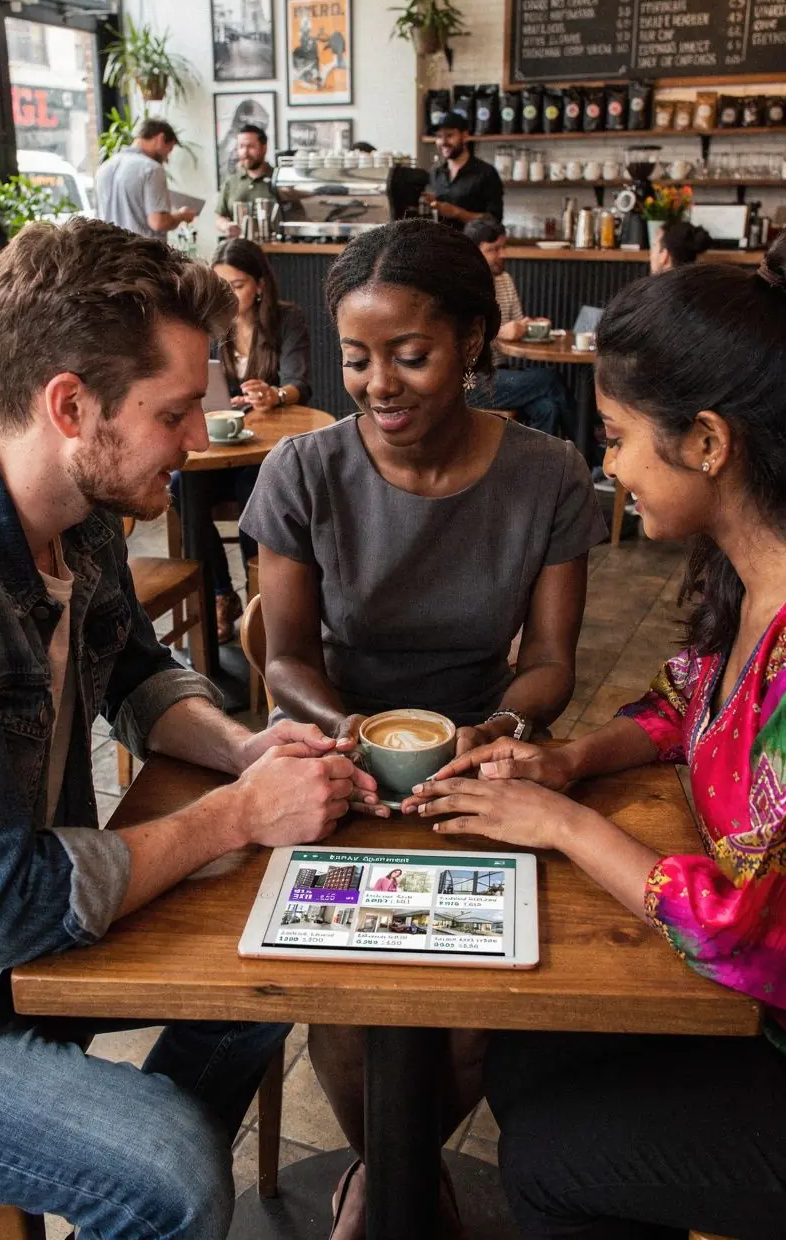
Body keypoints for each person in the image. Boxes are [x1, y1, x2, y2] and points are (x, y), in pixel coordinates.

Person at [0, 217, 368, 1239]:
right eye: (176, 411)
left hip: (14, 936)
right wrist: (236, 813)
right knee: (177, 1178)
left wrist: (242, 748)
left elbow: (136, 670)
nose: (200, 439)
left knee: (268, 964)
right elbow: (8, 906)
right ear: (70, 405)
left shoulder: (79, 505)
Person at [409, 233, 786, 1240]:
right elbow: (679, 706)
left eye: (615, 436)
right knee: (529, 1049)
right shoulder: (749, 583)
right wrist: (570, 760)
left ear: (707, 441)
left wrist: (564, 824)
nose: (605, 464)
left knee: (551, 1158)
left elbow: (747, 940)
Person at [241, 217, 607, 1236]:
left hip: (481, 767)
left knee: (472, 1032)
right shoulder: (305, 472)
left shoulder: (548, 475)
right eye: (357, 359)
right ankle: (388, 1175)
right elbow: (282, 659)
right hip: (337, 763)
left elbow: (549, 665)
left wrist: (491, 725)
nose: (379, 385)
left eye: (412, 354)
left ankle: (405, 1171)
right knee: (352, 1023)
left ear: (475, 343)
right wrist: (345, 724)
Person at [170, 237, 311, 643]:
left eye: (237, 285)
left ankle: (262, 603)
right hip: (223, 448)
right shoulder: (214, 327)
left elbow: (299, 382)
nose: (229, 295)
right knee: (184, 486)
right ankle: (219, 594)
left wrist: (275, 395)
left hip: (264, 450)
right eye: (222, 286)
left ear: (260, 284)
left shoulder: (287, 319)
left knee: (259, 489)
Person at [464, 215, 576, 438]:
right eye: (493, 249)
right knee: (549, 379)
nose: (502, 255)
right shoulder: (463, 286)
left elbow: (516, 324)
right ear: (474, 252)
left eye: (503, 247)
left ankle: (543, 471)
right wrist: (499, 333)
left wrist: (529, 326)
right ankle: (587, 451)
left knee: (548, 408)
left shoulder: (505, 280)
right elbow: (461, 339)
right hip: (471, 381)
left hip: (501, 373)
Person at [95, 118, 195, 238]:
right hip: (142, 253)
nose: (166, 159)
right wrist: (181, 215)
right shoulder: (151, 169)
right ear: (161, 138)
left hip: (110, 251)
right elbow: (158, 222)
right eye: (169, 150)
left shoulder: (105, 167)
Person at [423, 111, 503, 229]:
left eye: (449, 135)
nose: (443, 142)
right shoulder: (435, 173)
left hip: (472, 245)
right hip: (440, 244)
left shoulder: (486, 173)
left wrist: (457, 213)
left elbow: (494, 220)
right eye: (439, 136)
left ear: (465, 136)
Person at [215, 123, 274, 236]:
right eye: (241, 147)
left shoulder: (278, 179)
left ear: (264, 148)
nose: (245, 152)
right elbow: (220, 217)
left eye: (250, 146)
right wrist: (226, 226)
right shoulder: (231, 182)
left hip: (274, 249)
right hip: (238, 248)